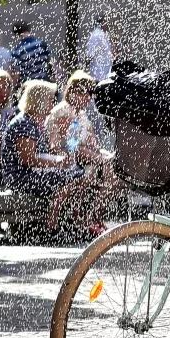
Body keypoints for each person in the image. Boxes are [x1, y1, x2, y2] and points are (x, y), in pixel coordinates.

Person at [0, 80, 86, 230]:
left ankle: (66, 222)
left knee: (77, 174)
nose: (53, 103)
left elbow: (38, 155)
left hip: (28, 174)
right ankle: (55, 222)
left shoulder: (32, 121)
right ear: (39, 101)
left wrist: (58, 158)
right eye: (50, 99)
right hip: (20, 178)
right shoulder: (24, 124)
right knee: (78, 176)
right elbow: (28, 159)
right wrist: (57, 163)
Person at [45, 71, 121, 233]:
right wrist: (100, 157)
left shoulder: (80, 113)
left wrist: (102, 154)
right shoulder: (64, 112)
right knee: (109, 168)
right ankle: (91, 217)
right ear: (72, 91)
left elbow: (91, 142)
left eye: (91, 93)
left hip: (83, 160)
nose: (88, 98)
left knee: (115, 170)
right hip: (67, 160)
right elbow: (71, 146)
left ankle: (93, 216)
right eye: (84, 93)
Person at [9, 21, 57, 86]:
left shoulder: (17, 51)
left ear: (16, 34)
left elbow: (16, 73)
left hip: (29, 85)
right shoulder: (42, 44)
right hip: (45, 83)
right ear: (29, 29)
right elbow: (52, 63)